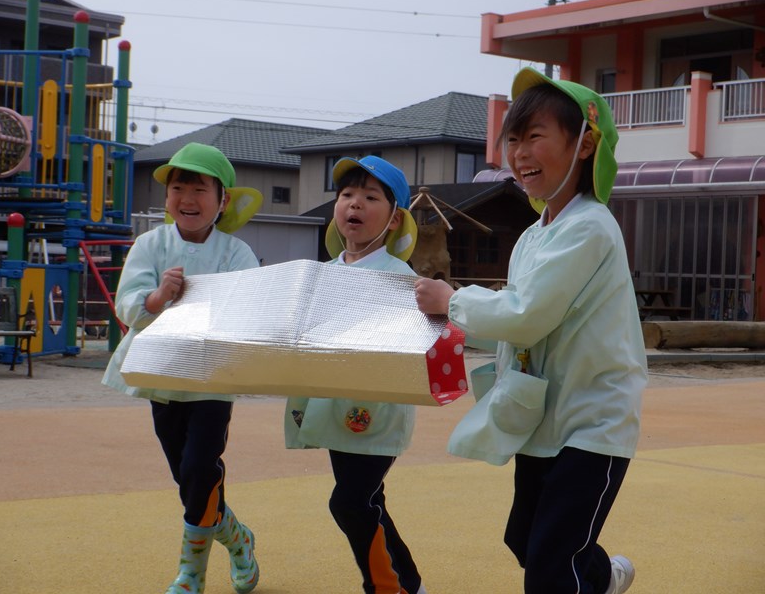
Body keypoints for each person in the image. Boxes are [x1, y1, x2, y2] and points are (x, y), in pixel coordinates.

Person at [414, 68, 647, 594]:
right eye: (513, 139)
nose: (520, 153)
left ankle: (589, 576)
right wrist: (452, 325)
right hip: (543, 420)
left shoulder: (589, 226)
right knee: (526, 540)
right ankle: (603, 578)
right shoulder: (533, 236)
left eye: (535, 136)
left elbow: (526, 314)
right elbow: (516, 327)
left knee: (550, 564)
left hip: (593, 424)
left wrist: (453, 301)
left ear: (584, 144)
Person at [102, 142, 262, 594]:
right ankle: (237, 537)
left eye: (199, 189)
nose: (187, 199)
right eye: (178, 188)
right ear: (167, 197)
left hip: (212, 379)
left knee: (199, 468)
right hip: (162, 375)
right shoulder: (150, 244)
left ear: (223, 201)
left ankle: (191, 573)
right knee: (188, 477)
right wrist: (155, 298)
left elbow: (251, 308)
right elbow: (127, 304)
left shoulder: (236, 252)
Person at [284, 156, 427, 594]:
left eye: (370, 196)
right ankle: (408, 584)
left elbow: (416, 342)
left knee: (349, 502)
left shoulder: (399, 278)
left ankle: (386, 587)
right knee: (367, 501)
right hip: (333, 409)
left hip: (376, 412)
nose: (355, 203)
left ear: (395, 218)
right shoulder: (321, 274)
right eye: (347, 194)